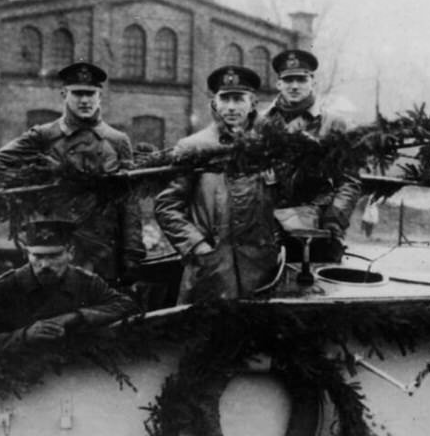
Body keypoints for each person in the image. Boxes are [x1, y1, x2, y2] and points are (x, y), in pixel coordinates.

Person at [0, 61, 146, 284]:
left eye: (91, 93)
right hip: (54, 247)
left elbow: (130, 202)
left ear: (100, 96)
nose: (85, 100)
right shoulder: (44, 136)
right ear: (64, 94)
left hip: (104, 249)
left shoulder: (117, 141)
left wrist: (133, 251)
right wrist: (37, 189)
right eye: (77, 93)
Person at [154, 65, 281, 303]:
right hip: (211, 266)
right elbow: (166, 206)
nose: (231, 107)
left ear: (253, 103)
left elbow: (283, 198)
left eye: (238, 98)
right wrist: (197, 246)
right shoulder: (194, 146)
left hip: (260, 268)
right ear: (214, 103)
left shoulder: (268, 146)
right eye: (225, 99)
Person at [0, 218, 137, 360]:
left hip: (75, 376)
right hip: (20, 380)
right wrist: (26, 335)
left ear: (70, 253)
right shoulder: (7, 286)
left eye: (54, 256)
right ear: (27, 254)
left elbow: (126, 306)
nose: (45, 265)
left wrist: (75, 317)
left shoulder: (86, 282)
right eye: (38, 256)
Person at [260, 48, 361, 263]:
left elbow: (349, 182)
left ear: (312, 82)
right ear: (278, 84)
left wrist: (334, 220)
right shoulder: (260, 123)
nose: (294, 86)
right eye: (288, 80)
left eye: (301, 79)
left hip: (318, 227)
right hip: (267, 228)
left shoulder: (334, 124)